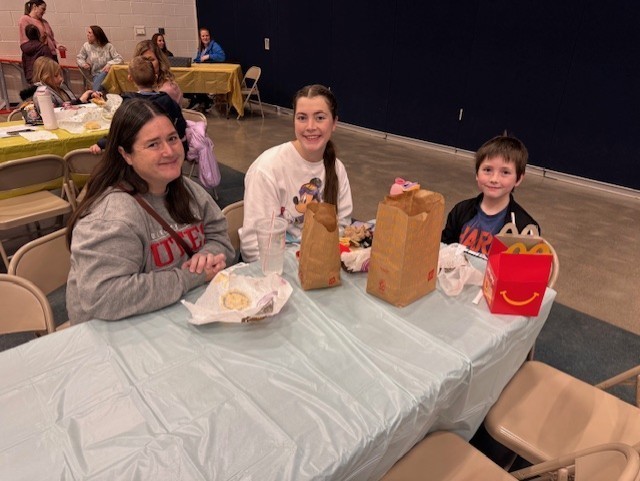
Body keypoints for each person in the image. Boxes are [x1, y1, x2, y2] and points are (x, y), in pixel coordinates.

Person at [65, 98, 234, 324]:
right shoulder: (111, 217)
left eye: (172, 139)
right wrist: (191, 276)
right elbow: (105, 297)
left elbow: (220, 237)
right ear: (126, 155)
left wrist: (209, 254)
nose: (170, 151)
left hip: (174, 315)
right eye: (153, 144)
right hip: (114, 334)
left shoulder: (187, 190)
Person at [239, 84, 353, 262]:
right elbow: (254, 247)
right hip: (279, 269)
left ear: (334, 123)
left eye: (320, 117)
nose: (310, 126)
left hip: (322, 265)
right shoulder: (267, 168)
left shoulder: (337, 168)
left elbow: (343, 228)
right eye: (302, 118)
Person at [441, 134, 540, 256]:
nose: (494, 179)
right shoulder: (460, 210)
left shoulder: (525, 227)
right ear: (477, 173)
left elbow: (524, 270)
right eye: (488, 170)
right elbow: (444, 248)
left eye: (505, 172)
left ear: (518, 179)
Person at [90, 56, 187, 154]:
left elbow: (117, 132)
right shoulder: (167, 100)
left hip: (140, 154)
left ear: (130, 78)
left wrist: (101, 143)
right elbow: (180, 124)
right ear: (156, 77)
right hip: (166, 150)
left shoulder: (128, 103)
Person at [29, 56, 100, 106]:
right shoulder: (41, 95)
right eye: (56, 76)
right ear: (45, 77)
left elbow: (72, 104)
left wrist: (89, 98)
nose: (61, 79)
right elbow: (56, 114)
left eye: (60, 74)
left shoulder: (61, 87)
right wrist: (80, 101)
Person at [186, 27, 226, 111]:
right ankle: (204, 101)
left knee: (196, 82)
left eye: (207, 35)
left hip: (212, 75)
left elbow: (222, 57)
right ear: (200, 37)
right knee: (189, 80)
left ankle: (202, 101)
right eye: (203, 36)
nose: (205, 38)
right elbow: (198, 59)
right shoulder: (201, 47)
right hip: (203, 74)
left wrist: (209, 56)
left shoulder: (214, 45)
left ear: (210, 36)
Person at [134, 39, 183, 106]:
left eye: (151, 60)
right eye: (143, 61)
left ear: (160, 61)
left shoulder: (168, 90)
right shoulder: (145, 88)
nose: (147, 64)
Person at [76, 25, 123, 92]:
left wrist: (109, 64)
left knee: (104, 73)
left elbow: (120, 59)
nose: (87, 35)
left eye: (89, 33)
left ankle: (94, 94)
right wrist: (83, 64)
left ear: (96, 35)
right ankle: (96, 93)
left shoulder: (108, 46)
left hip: (108, 74)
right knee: (99, 82)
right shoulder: (86, 46)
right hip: (95, 74)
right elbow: (79, 58)